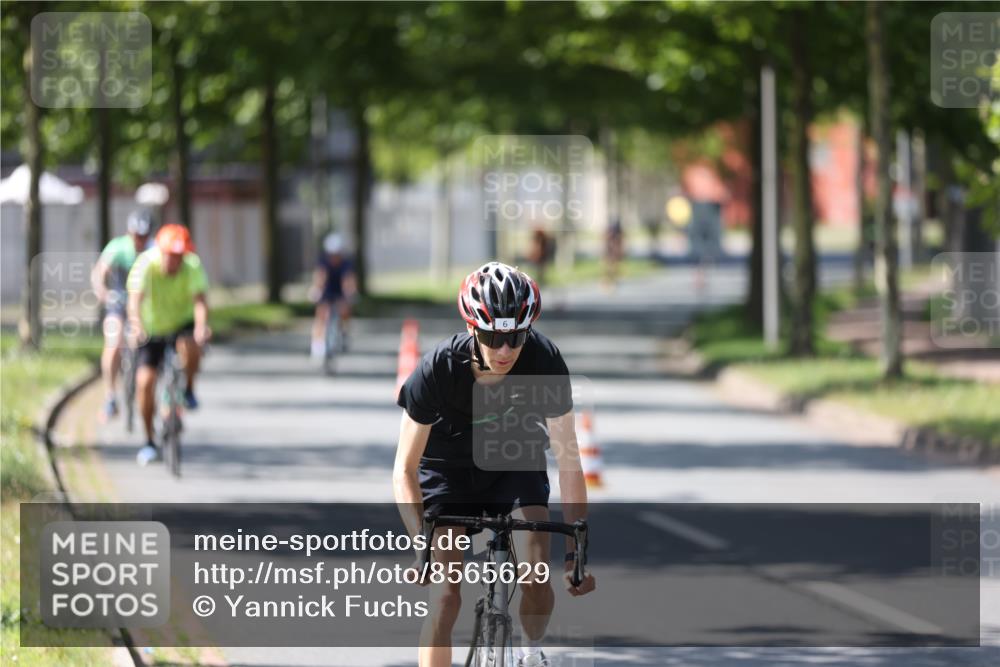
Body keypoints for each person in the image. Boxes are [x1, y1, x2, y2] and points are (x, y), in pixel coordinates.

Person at [393, 261, 596, 667]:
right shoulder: (437, 370)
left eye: (516, 337)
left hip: (512, 459)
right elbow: (403, 470)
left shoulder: (544, 361)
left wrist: (575, 553)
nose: (505, 350)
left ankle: (528, 652)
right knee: (446, 595)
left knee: (536, 576)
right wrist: (421, 543)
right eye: (492, 337)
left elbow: (569, 460)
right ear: (472, 328)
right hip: (446, 470)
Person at [126, 224, 211, 465]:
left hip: (180, 324)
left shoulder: (192, 265)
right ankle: (149, 440)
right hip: (151, 328)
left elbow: (200, 302)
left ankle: (188, 389)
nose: (175, 262)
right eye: (171, 256)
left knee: (191, 345)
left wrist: (201, 326)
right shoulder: (145, 264)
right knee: (145, 383)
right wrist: (136, 326)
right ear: (160, 251)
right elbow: (134, 302)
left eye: (179, 256)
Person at [91, 209, 153, 422]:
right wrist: (103, 293)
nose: (139, 241)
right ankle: (110, 396)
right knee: (113, 342)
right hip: (118, 304)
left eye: (144, 236)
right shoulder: (118, 247)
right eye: (137, 235)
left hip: (145, 307)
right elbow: (100, 272)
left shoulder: (153, 250)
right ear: (129, 232)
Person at [309, 232, 357, 360]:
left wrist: (350, 293)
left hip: (340, 290)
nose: (334, 257)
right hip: (327, 290)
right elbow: (320, 277)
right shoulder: (323, 262)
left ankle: (344, 332)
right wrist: (316, 290)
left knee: (344, 309)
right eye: (332, 254)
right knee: (321, 314)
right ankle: (317, 347)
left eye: (337, 254)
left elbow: (348, 280)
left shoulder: (346, 263)